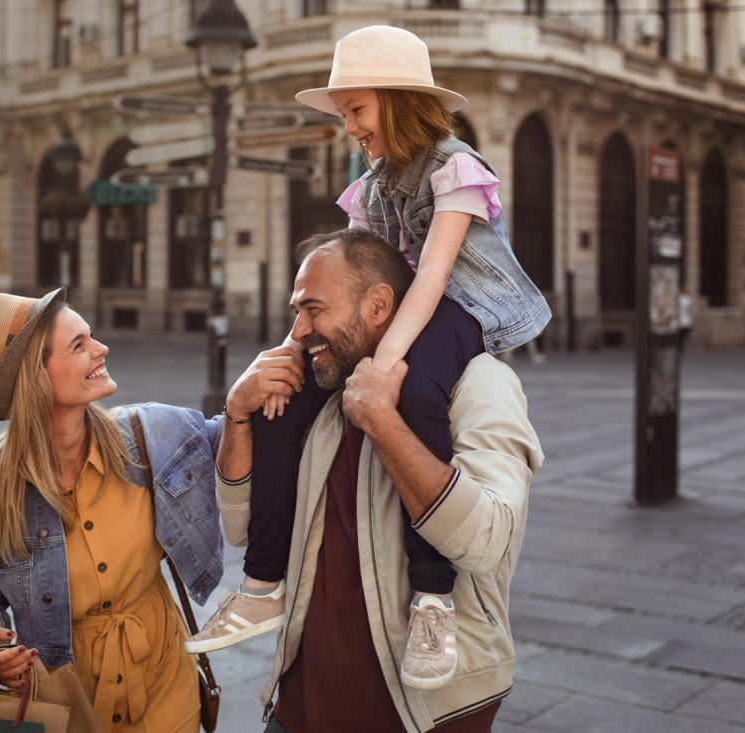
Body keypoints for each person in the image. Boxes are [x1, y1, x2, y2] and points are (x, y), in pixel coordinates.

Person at [188, 25, 549, 692]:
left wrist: (386, 364)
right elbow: (350, 279)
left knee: (410, 395)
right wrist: (284, 358)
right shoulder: (373, 186)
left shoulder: (455, 167)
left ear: (399, 100)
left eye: (356, 109)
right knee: (291, 392)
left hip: (462, 304)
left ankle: (432, 598)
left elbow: (433, 277)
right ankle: (262, 582)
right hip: (400, 301)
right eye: (344, 112)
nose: (349, 125)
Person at [215, 229, 543, 732]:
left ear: (377, 305)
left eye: (314, 309)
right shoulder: (321, 394)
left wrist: (382, 422)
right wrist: (237, 413)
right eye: (295, 311)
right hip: (299, 709)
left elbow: (487, 542)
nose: (298, 331)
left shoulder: (479, 384)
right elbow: (242, 529)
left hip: (427, 715)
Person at [0, 288, 232, 733]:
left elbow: (233, 434)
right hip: (65, 703)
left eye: (91, 336)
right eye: (78, 346)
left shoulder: (146, 434)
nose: (101, 349)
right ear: (35, 377)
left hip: (165, 680)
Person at [678, 286, 693, 352]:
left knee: (680, 336)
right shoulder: (688, 300)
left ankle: (680, 345)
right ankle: (681, 345)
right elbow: (692, 311)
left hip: (679, 322)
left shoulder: (677, 299)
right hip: (687, 322)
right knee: (684, 336)